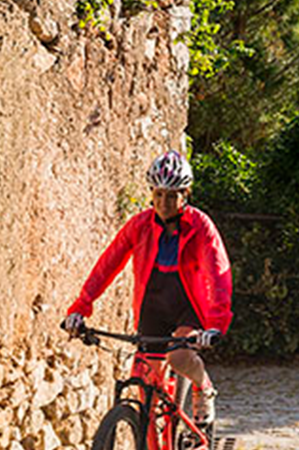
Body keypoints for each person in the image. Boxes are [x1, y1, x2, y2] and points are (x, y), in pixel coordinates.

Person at [63, 150, 233, 424]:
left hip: (188, 303)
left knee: (178, 357)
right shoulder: (140, 225)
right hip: (152, 303)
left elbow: (218, 274)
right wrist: (81, 308)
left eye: (171, 195)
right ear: (151, 193)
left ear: (185, 194)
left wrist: (215, 324)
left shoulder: (200, 226)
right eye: (158, 195)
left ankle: (203, 386)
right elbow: (107, 265)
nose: (163, 202)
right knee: (146, 386)